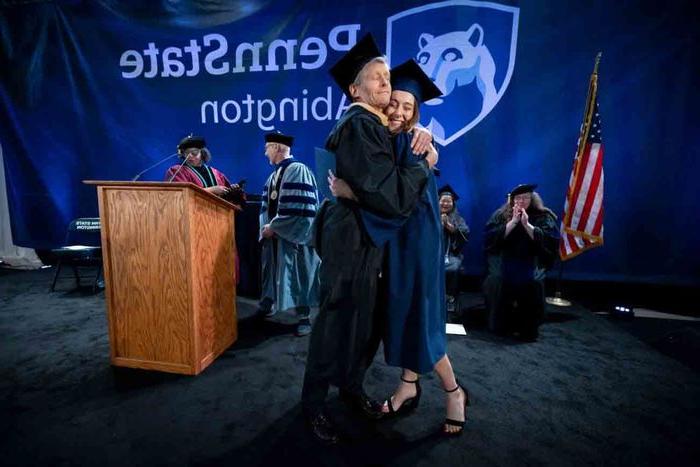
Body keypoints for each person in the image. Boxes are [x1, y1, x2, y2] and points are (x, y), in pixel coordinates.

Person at [301, 35, 436, 444]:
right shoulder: (359, 124)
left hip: (364, 237)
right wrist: (425, 166)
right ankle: (313, 407)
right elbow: (392, 196)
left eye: (385, 77)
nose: (384, 83)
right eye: (375, 78)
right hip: (351, 240)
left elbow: (377, 189)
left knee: (363, 322)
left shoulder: (375, 127)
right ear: (353, 89)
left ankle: (351, 389)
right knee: (337, 319)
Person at [330, 59, 469, 436]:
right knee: (405, 317)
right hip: (397, 244)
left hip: (416, 244)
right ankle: (408, 384)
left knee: (420, 321)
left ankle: (454, 392)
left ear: (415, 115)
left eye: (409, 107)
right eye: (396, 102)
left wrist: (351, 194)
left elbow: (394, 202)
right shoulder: (383, 137)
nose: (400, 111)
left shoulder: (414, 142)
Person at [256, 131, 320, 337]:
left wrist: (274, 227)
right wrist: (265, 228)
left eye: (267, 149)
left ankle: (304, 317)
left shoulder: (298, 170)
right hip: (276, 238)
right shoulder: (272, 176)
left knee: (301, 274)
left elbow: (300, 207)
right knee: (272, 271)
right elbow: (265, 208)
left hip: (295, 237)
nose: (265, 153)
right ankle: (269, 302)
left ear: (277, 148)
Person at [483, 183, 559, 341]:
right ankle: (499, 324)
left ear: (532, 199)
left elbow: (548, 241)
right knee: (496, 280)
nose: (522, 201)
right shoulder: (501, 214)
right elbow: (491, 239)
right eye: (518, 198)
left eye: (525, 198)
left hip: (531, 259)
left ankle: (528, 328)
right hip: (504, 258)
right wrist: (513, 222)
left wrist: (526, 224)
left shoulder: (543, 216)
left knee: (534, 282)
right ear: (512, 200)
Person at [165, 135, 241, 201]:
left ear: (202, 153)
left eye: (194, 153)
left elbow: (227, 198)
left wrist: (231, 190)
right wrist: (212, 190)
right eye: (186, 153)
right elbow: (178, 194)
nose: (190, 156)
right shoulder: (177, 171)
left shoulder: (216, 173)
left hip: (218, 214)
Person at [437, 184, 470, 312]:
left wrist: (450, 227)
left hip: (449, 255)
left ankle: (449, 298)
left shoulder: (458, 218)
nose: (445, 204)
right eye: (443, 201)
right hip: (431, 255)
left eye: (448, 201)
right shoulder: (430, 216)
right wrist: (439, 225)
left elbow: (465, 233)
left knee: (454, 267)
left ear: (453, 203)